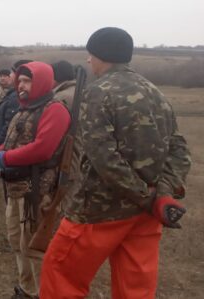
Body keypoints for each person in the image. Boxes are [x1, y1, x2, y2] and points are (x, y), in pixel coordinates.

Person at [39, 27, 190, 299]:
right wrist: (160, 194)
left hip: (99, 211)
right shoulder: (155, 92)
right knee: (136, 290)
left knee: (60, 275)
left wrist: (145, 196)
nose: (88, 60)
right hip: (145, 215)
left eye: (91, 54)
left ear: (102, 55)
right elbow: (179, 150)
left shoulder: (98, 92)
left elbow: (103, 158)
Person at [0, 62, 71, 299]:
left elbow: (42, 149)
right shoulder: (24, 110)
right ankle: (27, 289)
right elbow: (10, 141)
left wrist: (3, 158)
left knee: (35, 247)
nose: (21, 85)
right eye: (20, 81)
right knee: (16, 241)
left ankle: (47, 293)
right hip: (15, 188)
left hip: (37, 191)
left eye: (27, 81)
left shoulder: (55, 109)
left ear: (42, 81)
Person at [0, 60, 32, 159]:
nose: (9, 75)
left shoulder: (16, 96)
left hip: (3, 152)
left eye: (11, 72)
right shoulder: (10, 93)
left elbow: (8, 129)